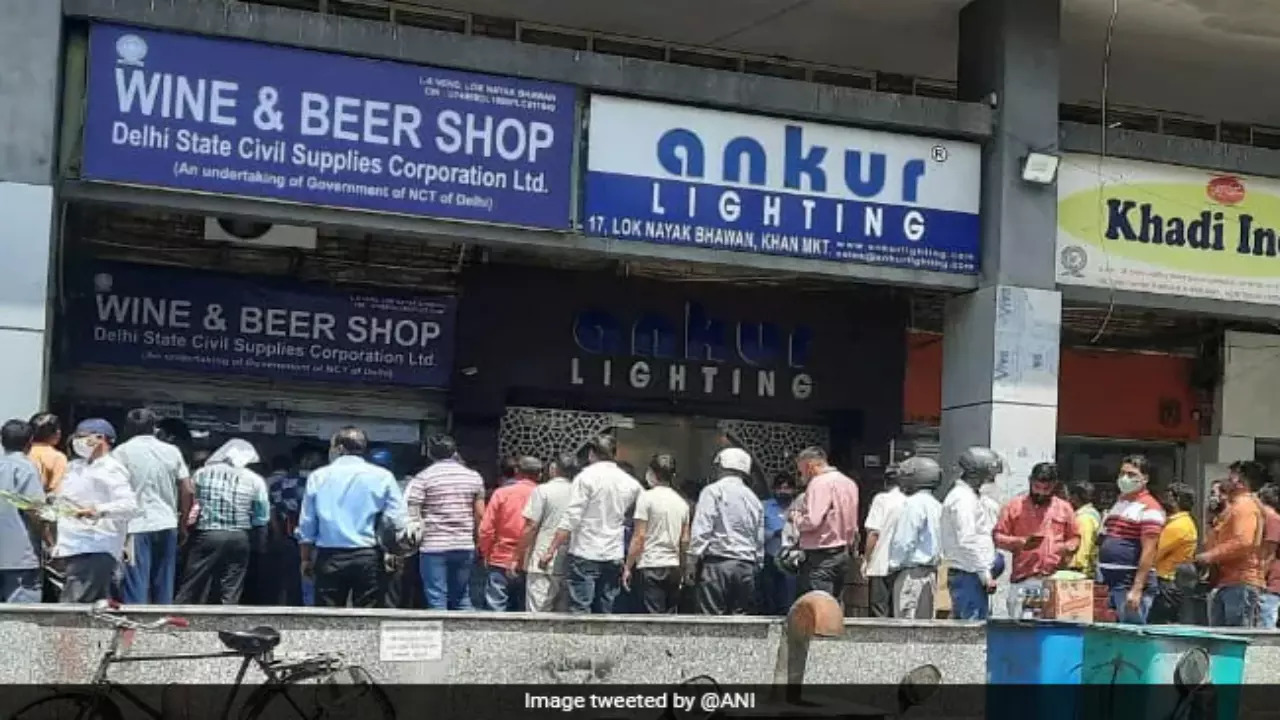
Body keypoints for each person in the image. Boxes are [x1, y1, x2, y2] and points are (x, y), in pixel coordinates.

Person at [298, 427, 408, 608]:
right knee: (366, 616)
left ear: (339, 448)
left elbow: (307, 522)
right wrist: (395, 554)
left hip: (329, 555)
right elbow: (397, 519)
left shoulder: (318, 477)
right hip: (367, 556)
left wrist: (305, 558)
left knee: (326, 617)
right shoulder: (383, 477)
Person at [541, 435, 642, 614]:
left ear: (591, 454)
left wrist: (551, 550)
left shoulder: (585, 478)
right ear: (615, 454)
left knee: (580, 608)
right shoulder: (630, 483)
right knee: (605, 608)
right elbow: (638, 515)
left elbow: (571, 518)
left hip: (585, 551)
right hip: (613, 553)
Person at [53, 419, 138, 603]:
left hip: (95, 546)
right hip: (72, 546)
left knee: (73, 606)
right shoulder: (75, 467)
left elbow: (129, 506)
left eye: (83, 437)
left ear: (102, 439)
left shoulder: (111, 469)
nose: (78, 442)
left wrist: (98, 510)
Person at [112, 408, 191, 605]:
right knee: (164, 583)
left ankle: (136, 628)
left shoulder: (120, 453)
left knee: (135, 583)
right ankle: (162, 625)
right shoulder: (172, 451)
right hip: (167, 523)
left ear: (128, 428)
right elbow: (188, 489)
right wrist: (182, 523)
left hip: (135, 526)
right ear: (154, 428)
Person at [176, 439, 269, 605]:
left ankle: (179, 616)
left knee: (193, 581)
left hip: (207, 534)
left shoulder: (201, 473)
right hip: (239, 537)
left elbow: (191, 501)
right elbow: (261, 516)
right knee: (231, 585)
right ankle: (227, 621)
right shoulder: (255, 480)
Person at [405, 434, 485, 610]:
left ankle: (439, 636)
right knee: (462, 597)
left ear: (431, 454)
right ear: (454, 452)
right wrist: (479, 542)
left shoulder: (423, 478)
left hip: (433, 546)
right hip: (464, 545)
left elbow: (413, 516)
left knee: (436, 598)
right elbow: (480, 514)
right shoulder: (473, 477)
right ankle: (468, 635)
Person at [687, 447, 764, 615]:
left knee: (712, 620)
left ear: (721, 467)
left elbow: (702, 529)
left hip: (718, 564)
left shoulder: (712, 491)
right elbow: (759, 538)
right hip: (746, 566)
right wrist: (757, 563)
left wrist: (691, 562)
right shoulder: (754, 499)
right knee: (741, 621)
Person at [1197, 460, 1269, 627]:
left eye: (1231, 476)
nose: (1227, 480)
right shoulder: (1234, 507)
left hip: (1240, 582)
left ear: (1240, 481)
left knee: (1235, 637)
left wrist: (1209, 556)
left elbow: (1243, 542)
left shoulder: (1245, 506)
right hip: (1227, 581)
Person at [1097, 455, 1166, 625]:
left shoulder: (1150, 507)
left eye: (1131, 474)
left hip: (1128, 583)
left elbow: (1149, 549)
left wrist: (1137, 589)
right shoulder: (1120, 503)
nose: (1125, 478)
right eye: (1122, 473)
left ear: (1145, 479)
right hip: (1110, 582)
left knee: (1131, 633)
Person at [623, 454, 691, 614]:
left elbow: (639, 537)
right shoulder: (682, 503)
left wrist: (628, 566)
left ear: (652, 473)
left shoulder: (646, 499)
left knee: (652, 618)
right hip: (672, 566)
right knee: (670, 616)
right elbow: (685, 540)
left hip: (650, 564)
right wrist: (683, 567)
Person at [791, 447, 860, 603]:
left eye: (801, 471)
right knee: (835, 605)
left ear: (810, 467)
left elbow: (813, 521)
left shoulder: (819, 483)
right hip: (843, 552)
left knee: (818, 607)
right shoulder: (849, 483)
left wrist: (796, 518)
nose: (801, 477)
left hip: (820, 555)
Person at [941, 447, 1002, 620]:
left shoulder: (972, 497)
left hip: (973, 574)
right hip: (968, 575)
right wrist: (985, 575)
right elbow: (967, 540)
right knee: (970, 630)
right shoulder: (962, 499)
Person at [516, 453, 577, 613]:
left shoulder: (542, 491)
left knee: (538, 611)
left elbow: (531, 526)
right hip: (569, 559)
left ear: (553, 468)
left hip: (542, 558)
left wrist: (518, 555)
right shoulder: (580, 492)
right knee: (562, 613)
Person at [479, 456, 541, 611]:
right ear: (540, 474)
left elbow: (486, 528)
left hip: (501, 557)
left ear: (517, 472)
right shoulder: (542, 494)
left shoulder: (502, 493)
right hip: (531, 560)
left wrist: (486, 553)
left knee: (496, 608)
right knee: (524, 609)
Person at [885, 456, 943, 619]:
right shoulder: (936, 505)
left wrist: (893, 564)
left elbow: (904, 541)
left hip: (911, 574)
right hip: (930, 574)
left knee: (907, 625)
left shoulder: (912, 504)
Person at [0, 420, 46, 603]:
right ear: (30, 442)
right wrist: (48, 539)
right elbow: (34, 509)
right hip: (20, 555)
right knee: (21, 616)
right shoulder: (25, 467)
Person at [1148, 482, 1198, 624]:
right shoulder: (1178, 522)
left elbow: (1155, 552)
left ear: (1177, 500)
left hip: (1167, 583)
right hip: (1170, 582)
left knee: (1160, 624)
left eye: (1168, 496)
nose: (1163, 500)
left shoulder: (1178, 525)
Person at [862, 463, 907, 618]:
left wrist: (866, 560)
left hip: (881, 563)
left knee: (879, 611)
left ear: (886, 482)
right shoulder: (909, 501)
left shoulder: (881, 499)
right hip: (902, 564)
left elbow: (874, 533)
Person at [761, 474, 800, 615]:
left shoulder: (800, 505)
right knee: (769, 595)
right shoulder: (764, 506)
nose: (784, 491)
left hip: (793, 558)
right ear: (774, 489)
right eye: (780, 488)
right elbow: (756, 531)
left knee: (790, 596)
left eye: (788, 488)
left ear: (794, 490)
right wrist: (773, 534)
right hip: (770, 556)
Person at [1067, 482, 1101, 578]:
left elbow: (1084, 546)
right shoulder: (1089, 514)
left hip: (1080, 571)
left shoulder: (1084, 518)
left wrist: (1077, 567)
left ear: (1076, 497)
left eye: (1071, 495)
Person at [27, 412, 68, 494]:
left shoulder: (21, 452)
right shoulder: (57, 457)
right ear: (57, 433)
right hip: (37, 503)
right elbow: (55, 490)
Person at [1257, 484, 1280, 628]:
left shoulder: (1272, 520)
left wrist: (1259, 578)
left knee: (1266, 622)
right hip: (1266, 580)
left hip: (1270, 582)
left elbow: (1269, 553)